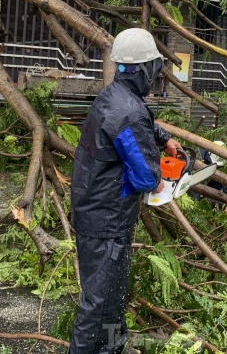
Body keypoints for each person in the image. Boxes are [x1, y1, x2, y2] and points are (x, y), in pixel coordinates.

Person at [69, 28, 180, 354]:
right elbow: (147, 177)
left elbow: (133, 123)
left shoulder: (115, 96)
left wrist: (161, 137)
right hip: (106, 219)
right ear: (145, 69)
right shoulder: (127, 111)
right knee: (100, 300)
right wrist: (165, 182)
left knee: (113, 294)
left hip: (98, 211)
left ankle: (112, 349)